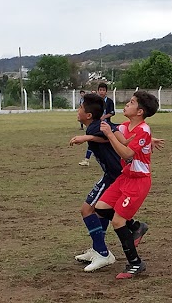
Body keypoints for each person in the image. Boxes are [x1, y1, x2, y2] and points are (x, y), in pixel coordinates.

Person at [69, 93, 163, 272]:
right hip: (119, 175)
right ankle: (101, 248)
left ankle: (109, 254)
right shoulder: (116, 126)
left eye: (80, 108)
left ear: (88, 115)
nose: (77, 110)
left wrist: (88, 138)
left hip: (120, 175)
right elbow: (118, 132)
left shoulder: (99, 127)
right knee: (100, 209)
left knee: (89, 210)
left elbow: (118, 141)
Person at [95, 90, 159, 279]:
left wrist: (111, 135)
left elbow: (127, 154)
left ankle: (135, 263)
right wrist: (87, 137)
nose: (126, 104)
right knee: (101, 207)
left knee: (117, 221)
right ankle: (136, 227)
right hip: (125, 177)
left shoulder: (143, 129)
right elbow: (113, 134)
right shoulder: (125, 126)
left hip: (139, 181)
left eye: (131, 102)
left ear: (140, 111)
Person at [79, 83, 116, 166]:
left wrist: (104, 117)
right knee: (94, 141)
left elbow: (112, 112)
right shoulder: (94, 101)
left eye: (103, 90)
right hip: (97, 124)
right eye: (100, 90)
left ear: (106, 92)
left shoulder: (109, 101)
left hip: (106, 124)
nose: (102, 92)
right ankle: (87, 159)